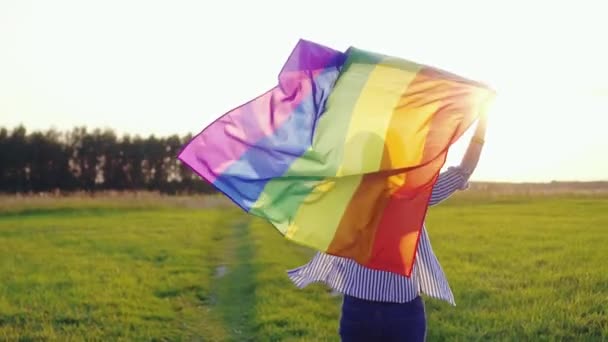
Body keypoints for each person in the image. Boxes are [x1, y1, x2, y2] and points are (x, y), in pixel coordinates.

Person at [287, 112, 489, 341]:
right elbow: (464, 171)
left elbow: (306, 172)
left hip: (364, 309)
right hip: (396, 310)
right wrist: (482, 124)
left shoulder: (344, 192)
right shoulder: (411, 193)